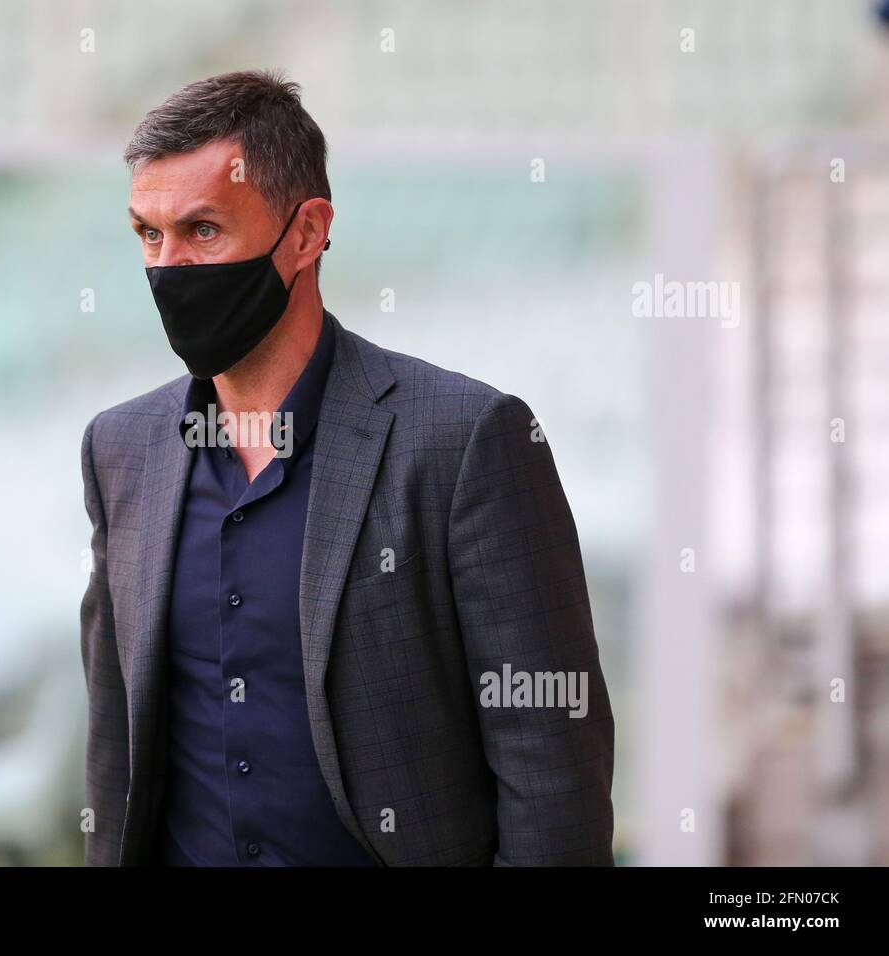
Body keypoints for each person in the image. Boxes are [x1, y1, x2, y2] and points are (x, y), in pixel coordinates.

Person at [78, 69, 615, 866]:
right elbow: (115, 755)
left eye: (204, 230)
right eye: (147, 235)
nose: (169, 267)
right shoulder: (121, 450)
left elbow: (552, 777)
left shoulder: (465, 441)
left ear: (305, 233)